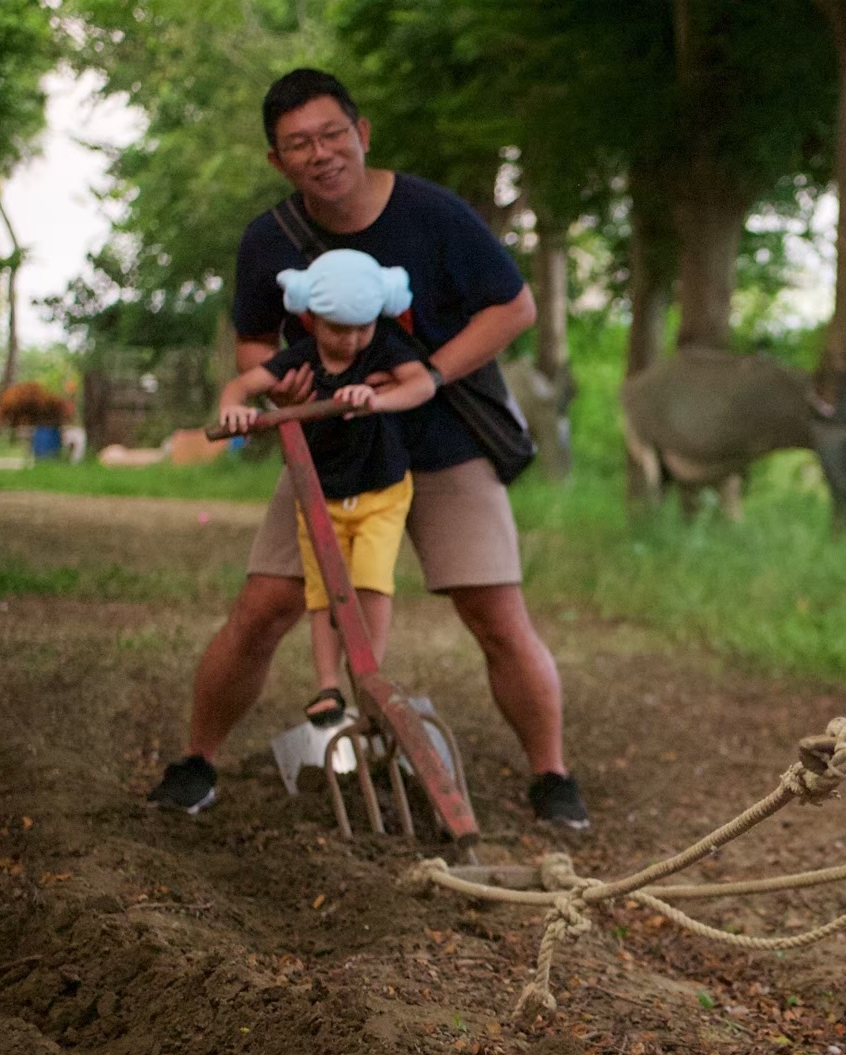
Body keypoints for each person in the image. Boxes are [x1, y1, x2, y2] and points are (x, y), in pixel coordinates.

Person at [147, 68, 589, 829]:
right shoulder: (270, 239)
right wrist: (278, 391)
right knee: (263, 608)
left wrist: (422, 378)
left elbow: (515, 307)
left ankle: (552, 777)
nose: (320, 153)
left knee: (497, 614)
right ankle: (197, 762)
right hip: (331, 450)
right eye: (298, 144)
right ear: (278, 160)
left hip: (446, 443)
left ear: (362, 134)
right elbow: (255, 340)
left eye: (331, 134)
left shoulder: (433, 215)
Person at [216, 249, 435, 727]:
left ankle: (370, 680)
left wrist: (377, 399)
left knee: (371, 582)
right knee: (323, 593)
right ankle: (328, 687)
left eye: (363, 327)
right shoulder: (302, 357)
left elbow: (422, 386)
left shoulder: (386, 347)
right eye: (339, 328)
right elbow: (242, 386)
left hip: (381, 492)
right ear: (311, 319)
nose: (353, 340)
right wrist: (235, 408)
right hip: (319, 496)